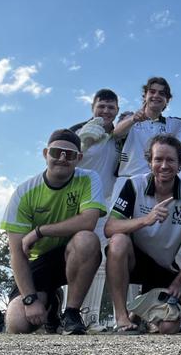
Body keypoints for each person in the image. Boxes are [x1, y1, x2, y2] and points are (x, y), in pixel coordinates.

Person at [0, 129, 105, 335]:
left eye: (70, 154)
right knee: (18, 325)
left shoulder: (89, 178)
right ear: (45, 153)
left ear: (79, 158)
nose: (63, 158)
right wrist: (29, 300)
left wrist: (40, 231)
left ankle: (72, 313)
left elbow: (89, 220)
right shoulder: (24, 192)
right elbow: (16, 253)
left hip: (71, 255)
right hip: (37, 262)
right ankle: (51, 302)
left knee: (87, 239)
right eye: (57, 152)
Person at [105, 134, 181, 334]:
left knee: (168, 327)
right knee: (118, 241)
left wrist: (178, 282)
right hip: (133, 259)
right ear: (149, 162)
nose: (164, 165)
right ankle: (122, 317)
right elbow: (110, 228)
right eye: (158, 159)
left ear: (180, 163)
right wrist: (145, 220)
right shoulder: (134, 185)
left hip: (162, 268)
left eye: (170, 160)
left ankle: (138, 315)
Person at [69, 88, 120, 331]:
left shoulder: (116, 136)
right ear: (93, 107)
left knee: (102, 262)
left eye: (111, 108)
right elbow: (63, 162)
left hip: (107, 204)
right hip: (79, 204)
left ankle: (92, 318)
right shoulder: (77, 131)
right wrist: (84, 141)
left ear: (117, 110)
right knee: (77, 259)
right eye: (101, 107)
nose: (106, 111)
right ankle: (70, 314)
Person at [114, 77, 181, 177]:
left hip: (156, 183)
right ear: (145, 95)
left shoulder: (174, 123)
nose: (156, 95)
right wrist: (133, 119)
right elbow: (116, 134)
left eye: (161, 93)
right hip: (127, 179)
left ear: (167, 100)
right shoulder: (128, 118)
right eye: (152, 92)